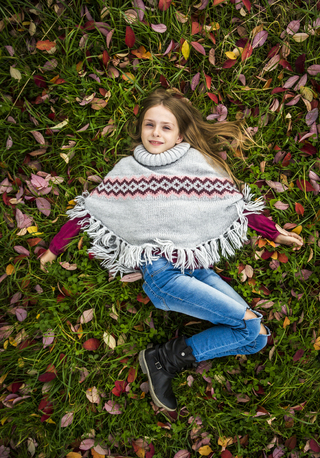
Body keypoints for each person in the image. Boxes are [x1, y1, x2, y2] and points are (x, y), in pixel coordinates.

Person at [40, 89, 303, 411]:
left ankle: (164, 358)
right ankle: (163, 359)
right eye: (150, 125)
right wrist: (53, 250)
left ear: (179, 133)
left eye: (166, 127)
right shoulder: (126, 171)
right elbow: (90, 213)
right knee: (249, 325)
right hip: (162, 276)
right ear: (140, 128)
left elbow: (236, 207)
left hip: (196, 267)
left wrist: (275, 235)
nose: (156, 133)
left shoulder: (198, 165)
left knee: (257, 337)